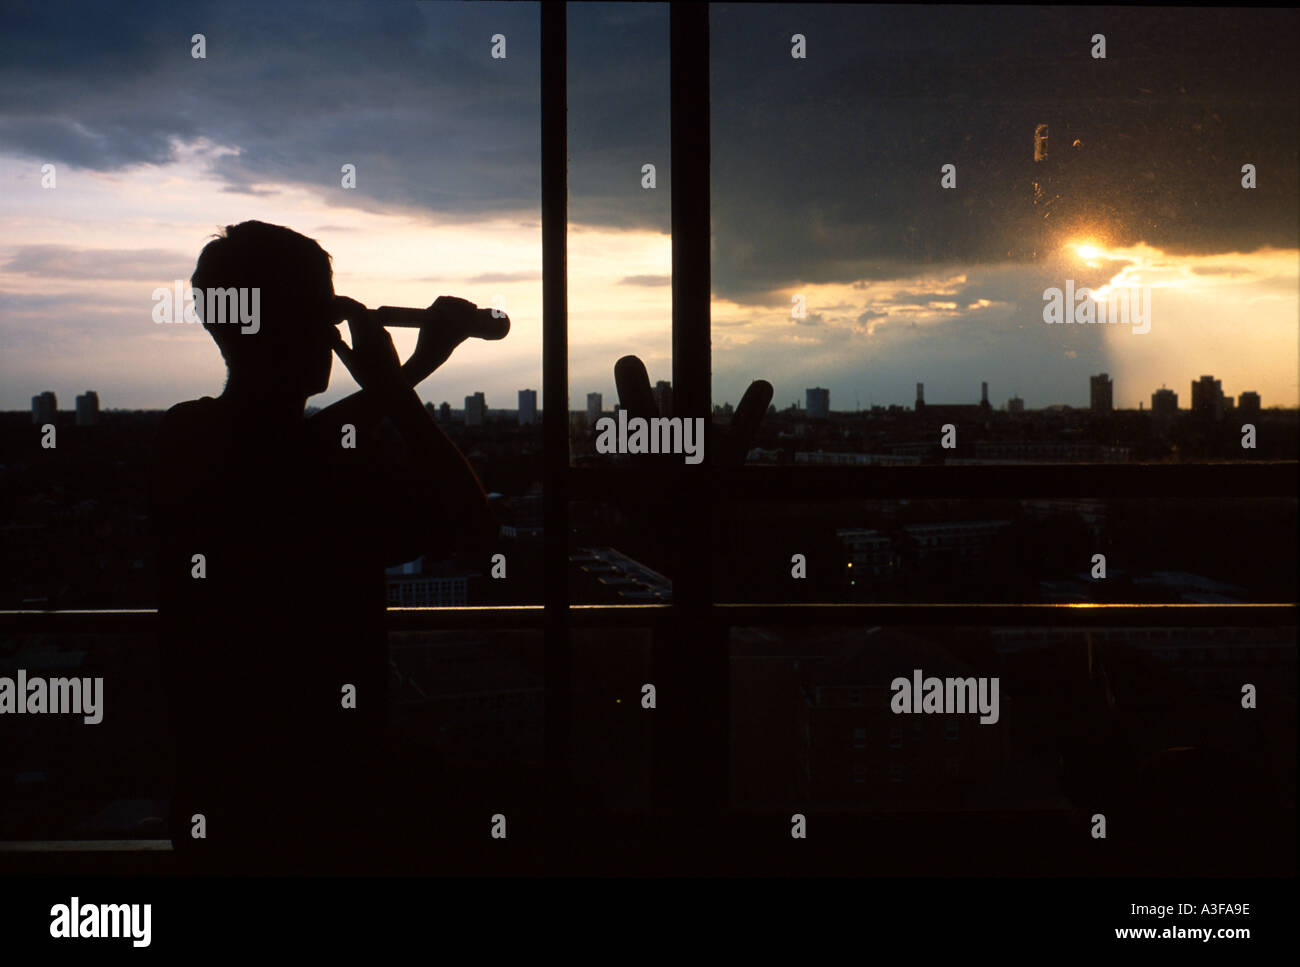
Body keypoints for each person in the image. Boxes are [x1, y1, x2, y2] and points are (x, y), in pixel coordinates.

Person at [150, 221, 494, 873]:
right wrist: (400, 383)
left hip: (220, 804)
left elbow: (279, 443)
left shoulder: (183, 438)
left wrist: (409, 374)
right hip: (329, 810)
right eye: (320, 307)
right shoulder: (327, 473)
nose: (330, 330)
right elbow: (473, 526)